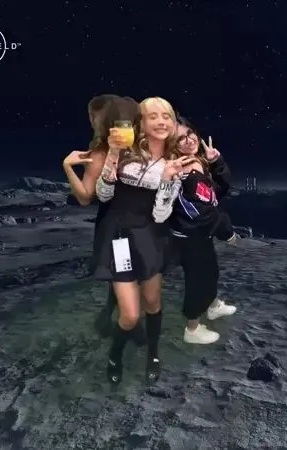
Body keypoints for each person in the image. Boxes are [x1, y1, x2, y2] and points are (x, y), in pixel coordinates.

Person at [93, 96, 195, 385]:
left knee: (152, 302)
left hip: (151, 236)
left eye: (167, 116)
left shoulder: (175, 163)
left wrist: (167, 179)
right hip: (120, 237)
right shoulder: (125, 153)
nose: (162, 121)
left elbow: (162, 214)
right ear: (141, 122)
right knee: (130, 314)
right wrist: (112, 154)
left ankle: (153, 353)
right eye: (153, 116)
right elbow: (103, 195)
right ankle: (115, 355)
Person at [62, 95, 146, 343]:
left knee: (133, 275)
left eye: (93, 116)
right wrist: (68, 167)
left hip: (138, 226)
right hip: (120, 230)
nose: (90, 121)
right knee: (126, 275)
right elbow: (86, 197)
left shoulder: (135, 149)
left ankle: (111, 316)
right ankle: (127, 326)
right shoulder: (100, 154)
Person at [155, 116, 239, 345]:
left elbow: (218, 192)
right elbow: (201, 212)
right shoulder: (183, 171)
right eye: (180, 138)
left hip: (199, 234)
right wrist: (227, 231)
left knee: (210, 272)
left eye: (190, 133)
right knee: (199, 281)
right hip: (189, 237)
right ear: (173, 144)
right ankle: (192, 329)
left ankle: (213, 307)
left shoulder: (198, 162)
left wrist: (217, 162)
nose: (189, 139)